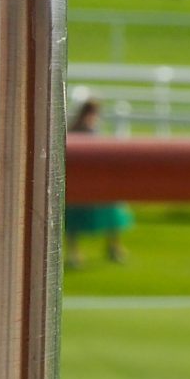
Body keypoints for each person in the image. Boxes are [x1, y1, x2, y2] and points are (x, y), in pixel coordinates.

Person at [66, 96, 134, 264]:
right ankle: (84, 252)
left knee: (110, 210)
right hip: (84, 180)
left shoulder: (79, 128)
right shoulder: (83, 129)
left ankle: (111, 248)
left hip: (87, 179)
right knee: (77, 216)